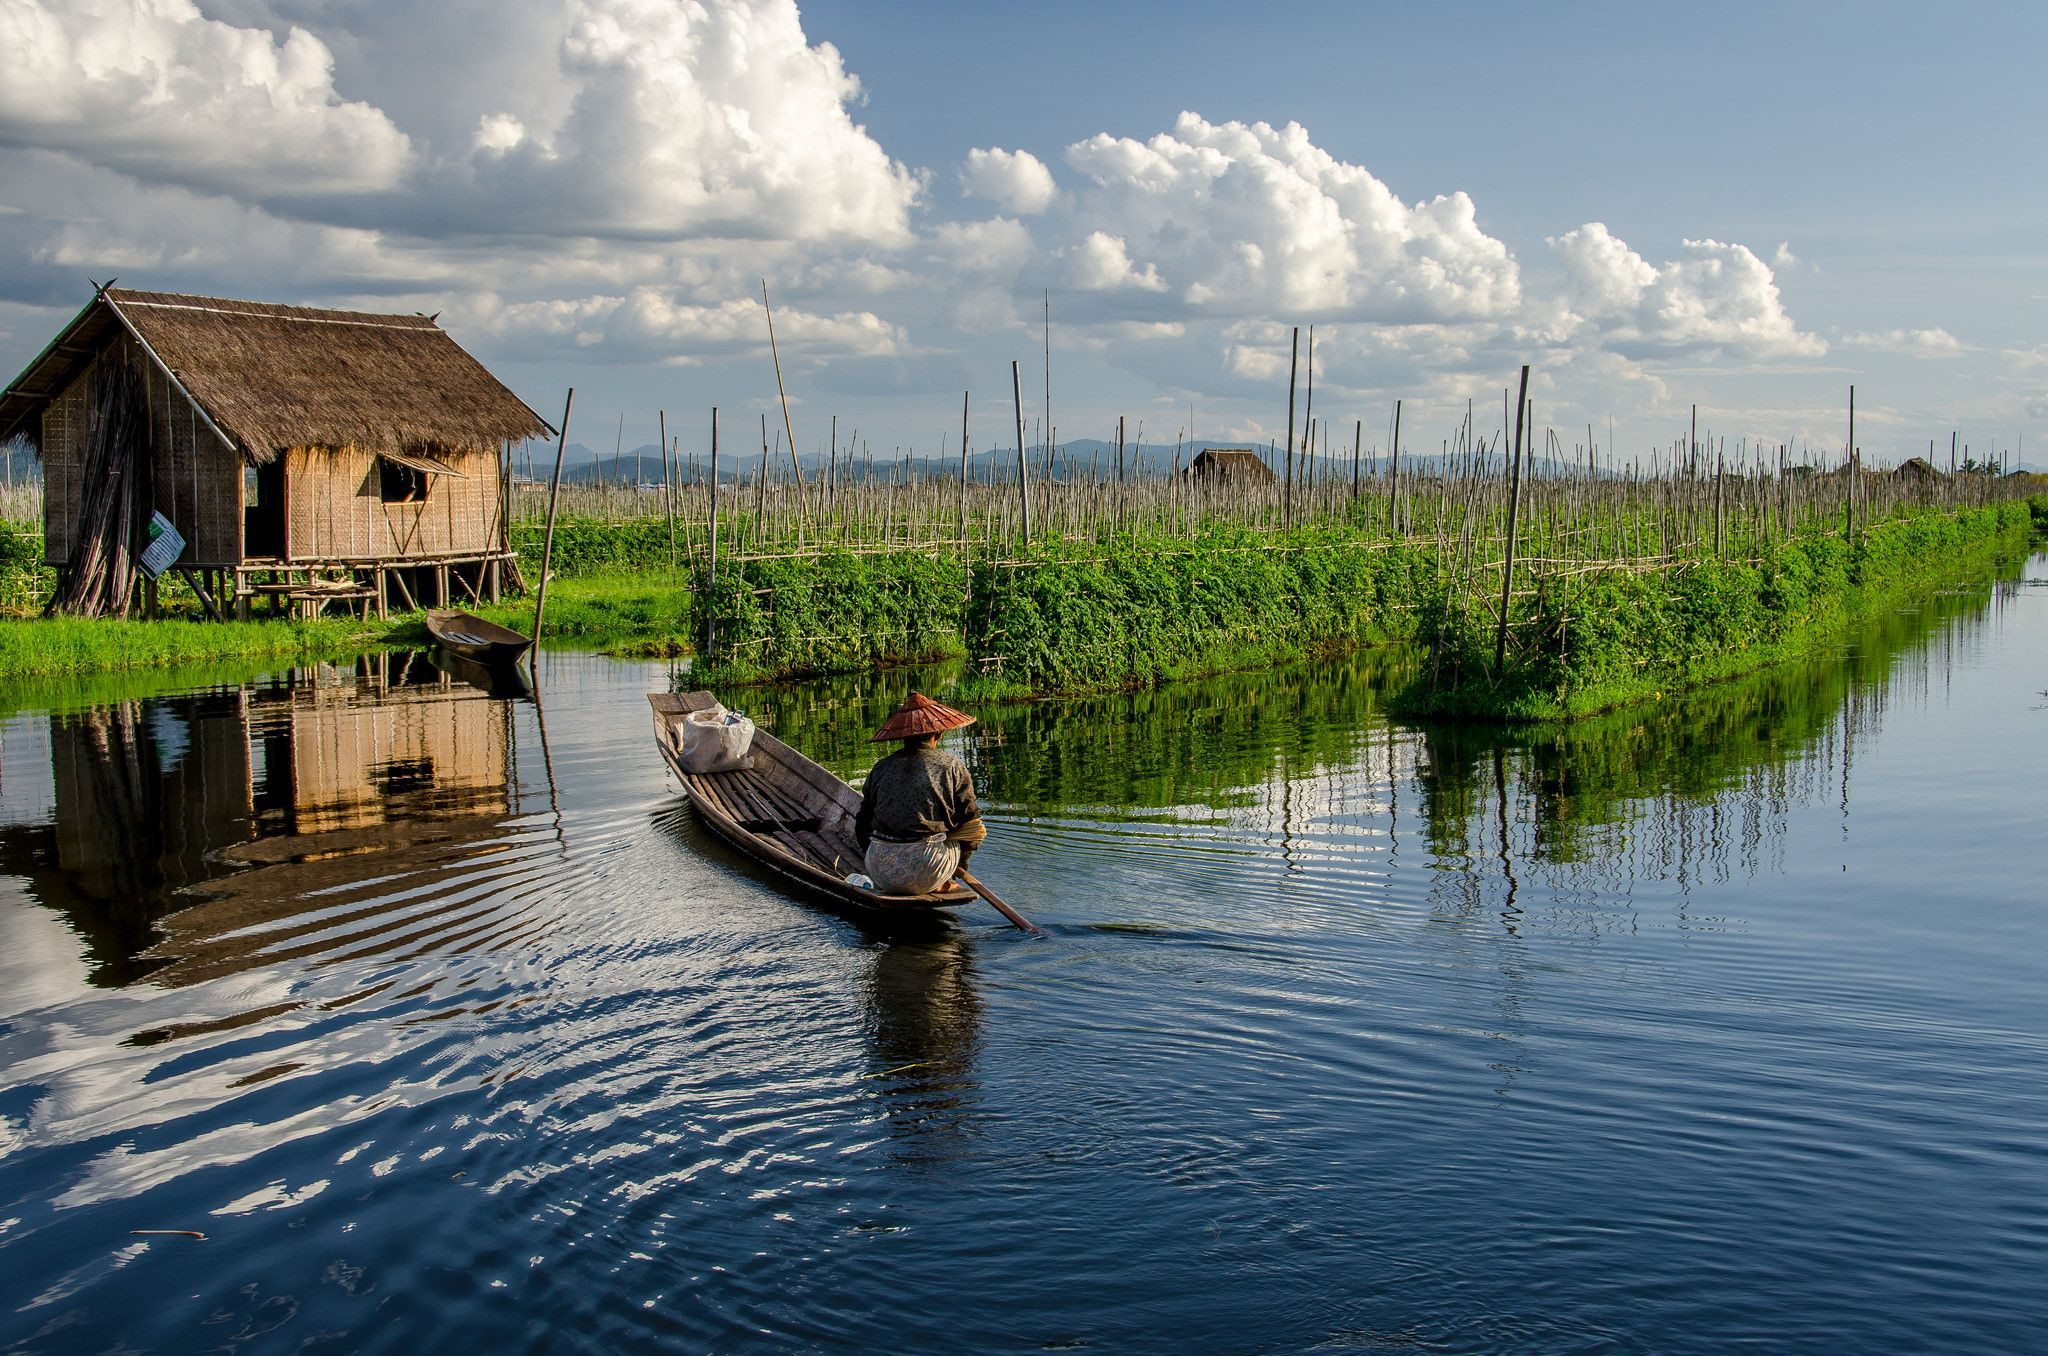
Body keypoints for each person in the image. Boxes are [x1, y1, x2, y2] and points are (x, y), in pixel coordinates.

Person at [854, 692, 986, 894]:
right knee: (972, 828)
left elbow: (862, 826)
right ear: (939, 734)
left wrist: (877, 858)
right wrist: (958, 867)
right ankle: (945, 881)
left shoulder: (880, 768)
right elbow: (971, 823)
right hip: (929, 870)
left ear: (903, 736)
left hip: (880, 870)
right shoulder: (951, 766)